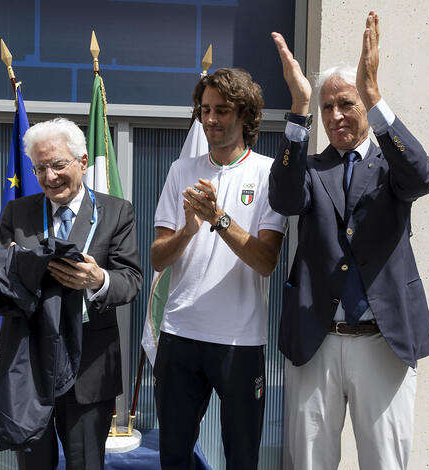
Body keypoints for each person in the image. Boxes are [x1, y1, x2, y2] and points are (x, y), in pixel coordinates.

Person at [269, 12, 429, 469]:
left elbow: (423, 177)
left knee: (385, 462)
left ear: (363, 104)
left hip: (384, 340)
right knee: (309, 463)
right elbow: (283, 199)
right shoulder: (311, 167)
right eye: (327, 107)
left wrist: (376, 95)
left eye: (346, 103)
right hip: (315, 340)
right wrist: (299, 109)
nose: (336, 116)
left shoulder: (390, 165)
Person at [151, 68, 287, 470]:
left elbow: (266, 261)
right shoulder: (182, 171)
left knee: (241, 458)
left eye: (222, 110)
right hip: (179, 333)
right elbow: (158, 258)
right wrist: (189, 230)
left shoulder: (267, 173)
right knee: (174, 456)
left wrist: (219, 218)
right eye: (204, 110)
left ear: (246, 115)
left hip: (239, 341)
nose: (210, 119)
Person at [0, 117, 142, 470]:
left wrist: (97, 280)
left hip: (89, 365)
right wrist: (16, 271)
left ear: (83, 162)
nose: (49, 176)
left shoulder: (117, 212)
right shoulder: (19, 211)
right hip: (29, 364)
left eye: (58, 164)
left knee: (86, 464)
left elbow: (131, 280)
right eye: (40, 167)